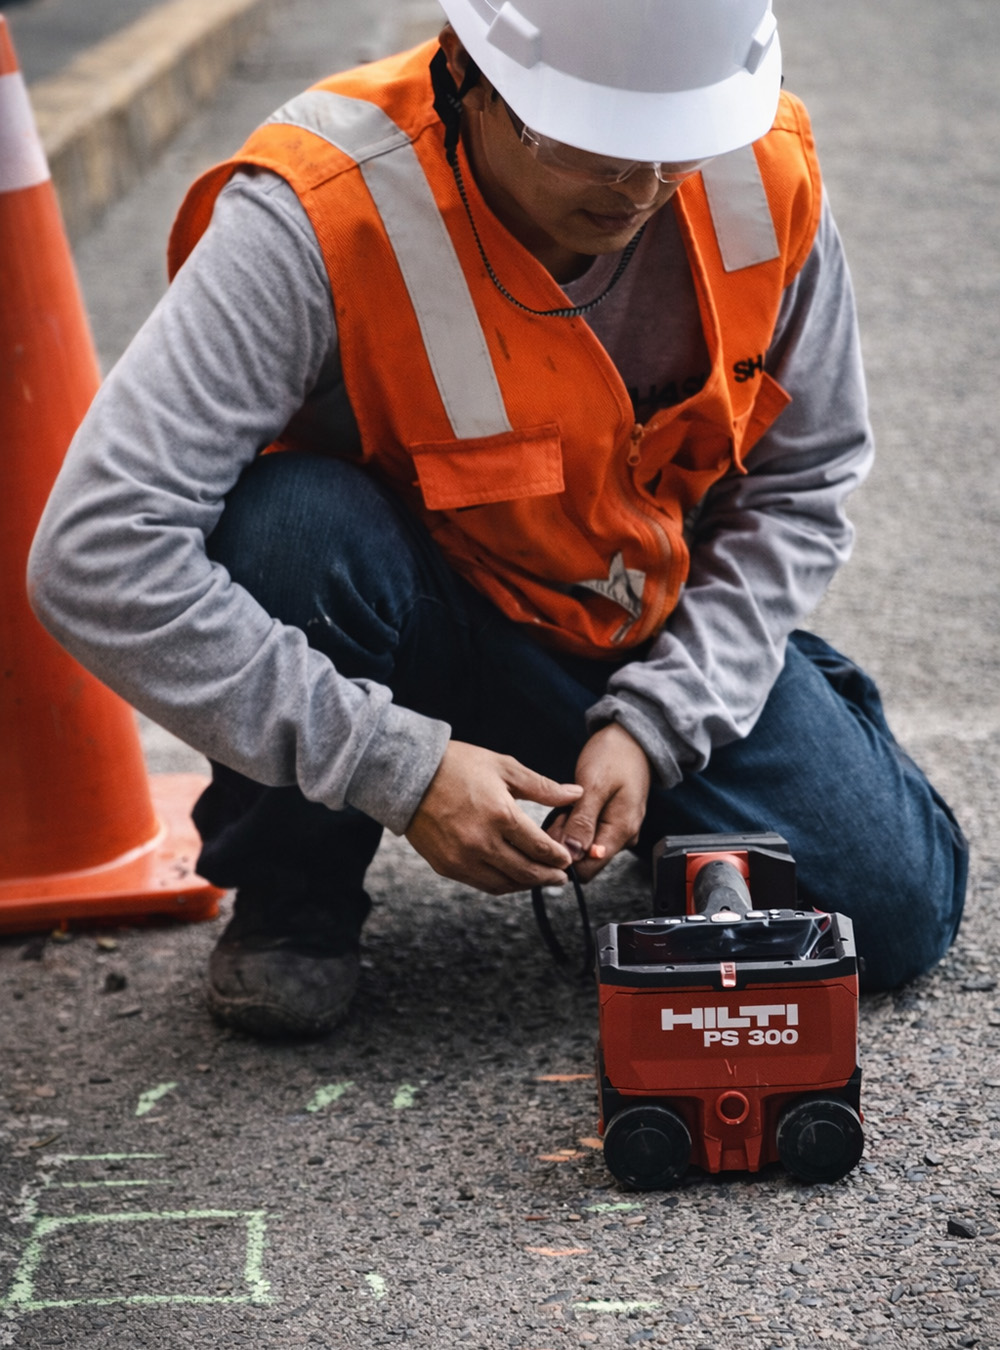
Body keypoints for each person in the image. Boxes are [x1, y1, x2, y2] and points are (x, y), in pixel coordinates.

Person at [28, 0, 967, 1039]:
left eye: (673, 148)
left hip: (636, 622)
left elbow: (803, 479)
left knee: (893, 914)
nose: (640, 188)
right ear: (467, 75)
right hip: (409, 626)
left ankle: (689, 747)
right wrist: (396, 766)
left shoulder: (758, 167)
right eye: (591, 146)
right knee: (292, 530)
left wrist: (662, 720)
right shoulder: (322, 208)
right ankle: (295, 896)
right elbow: (98, 549)